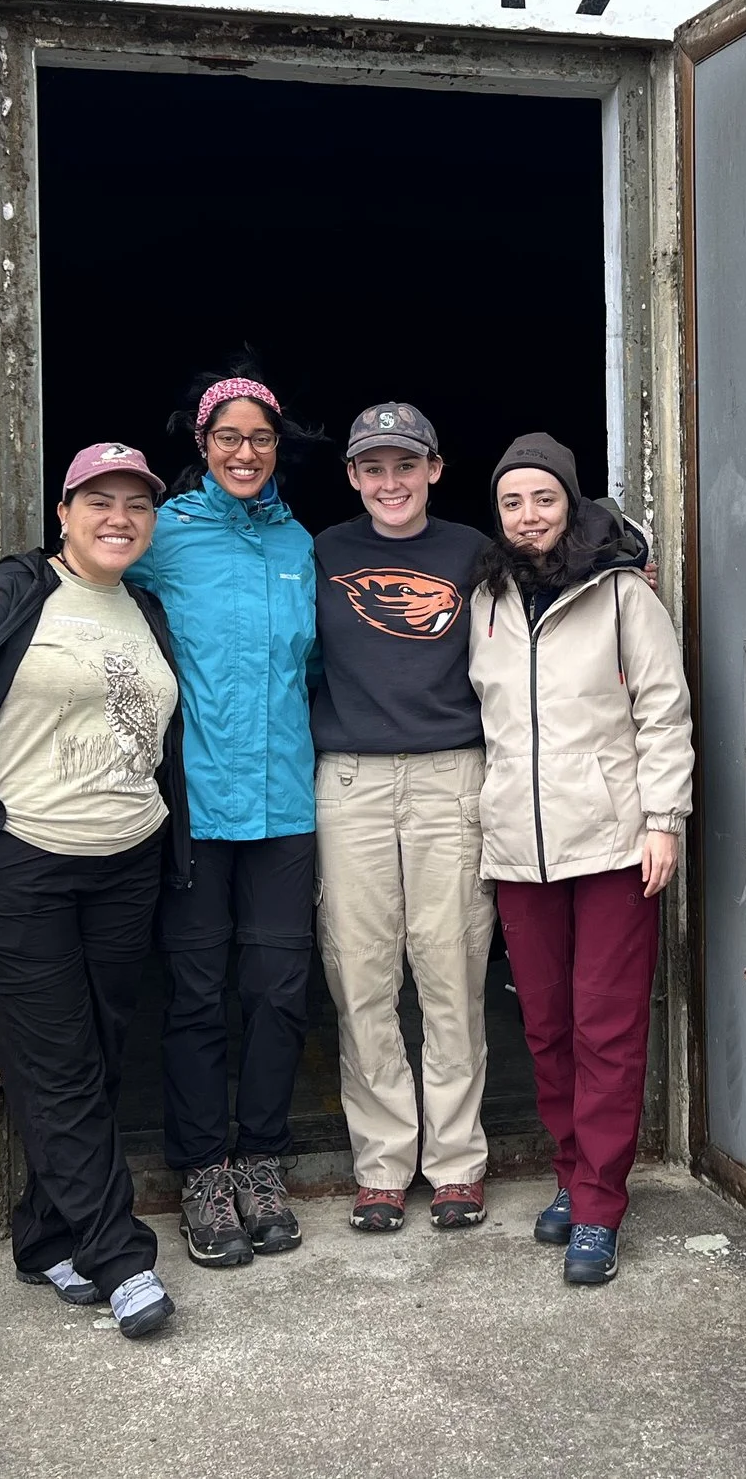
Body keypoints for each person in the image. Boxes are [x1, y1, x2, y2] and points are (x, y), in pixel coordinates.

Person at [0, 366, 319, 1272]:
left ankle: (261, 1160)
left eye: (260, 438)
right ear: (202, 442)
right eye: (227, 436)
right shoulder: (166, 534)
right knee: (194, 996)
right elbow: (76, 570)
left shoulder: (303, 543)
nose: (244, 452)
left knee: (276, 993)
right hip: (189, 808)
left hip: (289, 805)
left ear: (277, 448)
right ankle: (202, 1168)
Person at [0, 442, 187, 1340]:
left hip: (125, 861)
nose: (119, 518)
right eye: (99, 500)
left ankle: (44, 1239)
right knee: (58, 1062)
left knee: (86, 1058)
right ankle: (119, 1256)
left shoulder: (145, 605)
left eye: (137, 504)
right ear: (63, 511)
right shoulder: (5, 591)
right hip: (19, 866)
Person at [467, 433, 694, 1286]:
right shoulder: (485, 597)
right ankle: (569, 1172)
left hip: (612, 843)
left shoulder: (621, 595)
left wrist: (662, 819)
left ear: (571, 502)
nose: (529, 517)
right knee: (547, 1023)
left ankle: (599, 1201)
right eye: (513, 503)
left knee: (608, 1023)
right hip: (520, 848)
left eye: (544, 499)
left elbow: (663, 711)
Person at [311, 403, 496, 1233]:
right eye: (373, 467)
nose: (391, 481)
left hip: (451, 774)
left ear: (434, 468)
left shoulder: (474, 552)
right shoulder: (320, 552)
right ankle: (383, 1164)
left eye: (405, 464)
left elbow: (561, 555)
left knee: (452, 967)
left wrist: (627, 562)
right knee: (361, 974)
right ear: (352, 476)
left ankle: (456, 1162)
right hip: (347, 779)